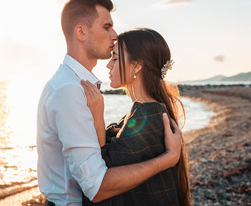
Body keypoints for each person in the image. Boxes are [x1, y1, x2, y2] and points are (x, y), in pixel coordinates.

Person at [37, 0, 182, 206]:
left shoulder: (76, 86)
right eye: (106, 27)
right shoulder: (69, 89)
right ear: (81, 32)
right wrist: (168, 159)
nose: (114, 35)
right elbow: (97, 185)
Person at [81, 28, 190, 205]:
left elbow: (100, 175)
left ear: (137, 66)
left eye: (115, 58)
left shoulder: (147, 113)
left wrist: (97, 114)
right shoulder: (144, 111)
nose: (109, 65)